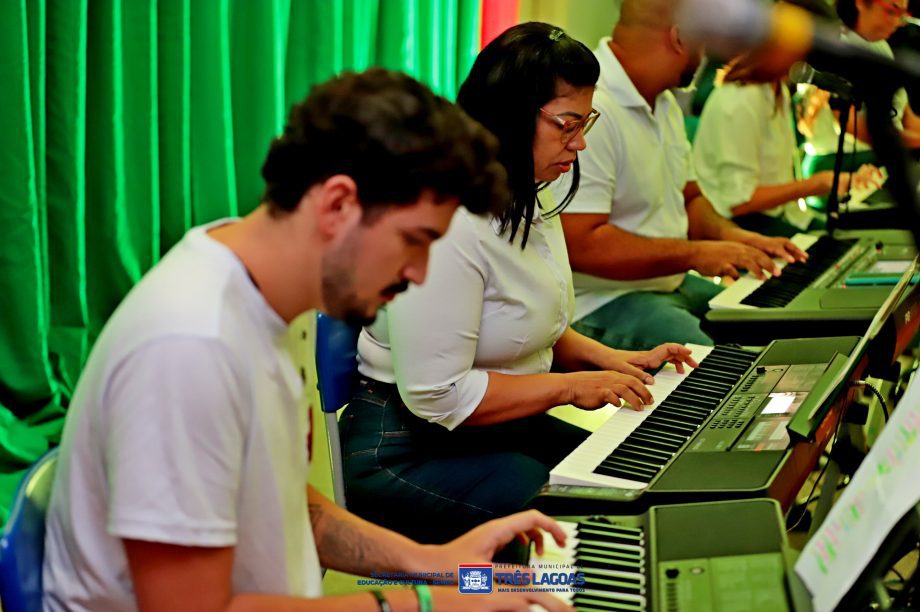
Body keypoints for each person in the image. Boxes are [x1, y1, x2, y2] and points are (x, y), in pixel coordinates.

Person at [42, 68, 574, 612]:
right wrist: (425, 604)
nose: (418, 273)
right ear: (339, 203)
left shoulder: (253, 293)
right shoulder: (189, 346)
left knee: (536, 588)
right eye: (414, 241)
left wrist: (435, 565)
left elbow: (288, 505)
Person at [340, 23, 697, 545]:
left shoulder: (529, 187)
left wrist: (609, 360)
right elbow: (438, 396)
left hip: (489, 428)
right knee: (576, 529)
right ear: (509, 116)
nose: (579, 144)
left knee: (633, 486)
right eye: (567, 125)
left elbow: (524, 320)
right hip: (404, 447)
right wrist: (572, 386)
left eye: (585, 122)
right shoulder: (448, 221)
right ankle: (490, 597)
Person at [554, 0, 808, 353]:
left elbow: (688, 198)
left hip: (667, 283)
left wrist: (735, 237)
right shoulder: (596, 107)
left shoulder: (665, 102)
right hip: (600, 300)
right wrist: (694, 254)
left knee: (768, 323)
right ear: (678, 38)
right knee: (722, 365)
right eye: (703, 40)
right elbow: (582, 244)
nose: (707, 53)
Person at [692, 48, 883, 237]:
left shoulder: (778, 90)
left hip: (782, 216)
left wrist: (841, 180)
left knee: (861, 235)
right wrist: (815, 184)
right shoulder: (739, 101)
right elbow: (739, 202)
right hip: (739, 227)